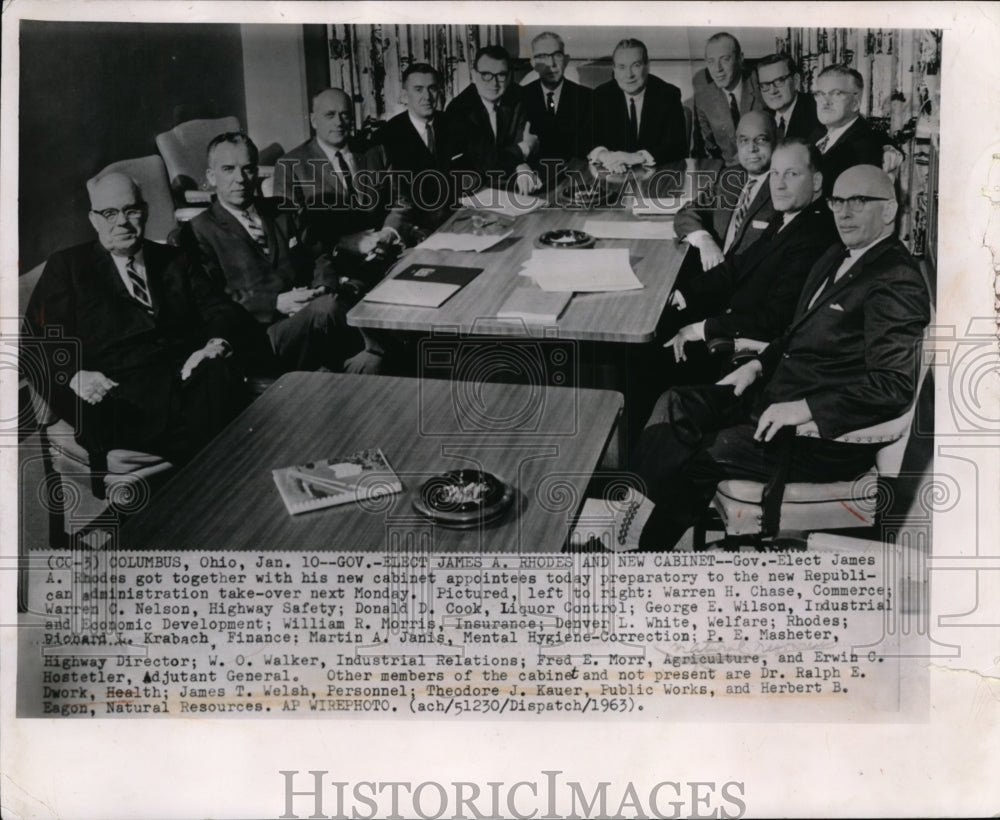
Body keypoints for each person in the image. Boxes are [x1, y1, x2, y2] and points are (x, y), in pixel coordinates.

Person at [607, 164, 930, 550]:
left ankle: (641, 554)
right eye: (838, 201)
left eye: (859, 202)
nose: (843, 213)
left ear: (890, 210)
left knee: (699, 454)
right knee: (675, 403)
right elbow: (796, 333)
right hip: (774, 396)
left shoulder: (896, 280)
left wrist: (806, 408)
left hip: (817, 438)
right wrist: (759, 364)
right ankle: (635, 522)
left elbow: (893, 386)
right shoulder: (836, 254)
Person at [24, 173, 256, 471]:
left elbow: (220, 310)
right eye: (109, 213)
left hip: (186, 383)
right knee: (227, 422)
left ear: (144, 212)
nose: (121, 221)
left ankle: (205, 493)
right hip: (119, 397)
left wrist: (213, 345)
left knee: (221, 375)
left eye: (130, 210)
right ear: (94, 219)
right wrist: (74, 374)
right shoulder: (68, 267)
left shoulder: (175, 260)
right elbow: (35, 340)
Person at [186, 132, 381, 374]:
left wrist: (322, 288)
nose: (240, 179)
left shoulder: (281, 209)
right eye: (228, 169)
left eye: (247, 169)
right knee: (330, 311)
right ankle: (380, 343)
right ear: (211, 177)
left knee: (370, 362)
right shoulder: (198, 231)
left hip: (312, 316)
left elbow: (319, 256)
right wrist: (275, 303)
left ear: (256, 173)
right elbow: (213, 300)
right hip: (261, 334)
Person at [664, 137, 839, 378]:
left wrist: (702, 328)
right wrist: (684, 295)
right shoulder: (790, 217)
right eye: (775, 174)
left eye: (791, 174)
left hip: (743, 353)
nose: (778, 185)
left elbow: (775, 320)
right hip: (733, 323)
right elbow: (739, 265)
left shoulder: (813, 236)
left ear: (816, 181)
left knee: (651, 356)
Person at [273, 87, 414, 271]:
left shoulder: (375, 151)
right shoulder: (291, 165)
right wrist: (341, 242)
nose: (339, 122)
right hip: (333, 264)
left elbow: (401, 201)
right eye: (330, 115)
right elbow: (294, 230)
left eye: (345, 115)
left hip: (386, 252)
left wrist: (388, 233)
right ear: (314, 121)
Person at [674, 111, 778, 273]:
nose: (751, 148)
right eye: (744, 141)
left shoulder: (782, 187)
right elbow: (686, 213)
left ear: (776, 142)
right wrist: (704, 240)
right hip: (711, 274)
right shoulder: (730, 177)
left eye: (761, 140)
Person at [441, 45, 541, 197]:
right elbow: (486, 162)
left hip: (510, 186)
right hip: (472, 191)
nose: (494, 83)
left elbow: (528, 139)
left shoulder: (518, 97)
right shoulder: (459, 109)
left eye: (501, 75)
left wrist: (522, 164)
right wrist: (524, 149)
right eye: (486, 74)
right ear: (474, 75)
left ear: (509, 77)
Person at [375, 63, 454, 234]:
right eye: (418, 89)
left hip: (455, 218)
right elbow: (391, 199)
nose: (427, 96)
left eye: (432, 88)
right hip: (414, 228)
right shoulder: (387, 135)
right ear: (404, 95)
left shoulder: (453, 124)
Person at [589, 38, 686, 172]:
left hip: (657, 178)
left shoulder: (668, 94)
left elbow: (677, 146)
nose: (629, 75)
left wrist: (637, 157)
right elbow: (588, 138)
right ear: (614, 70)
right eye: (622, 67)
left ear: (647, 66)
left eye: (636, 65)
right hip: (614, 175)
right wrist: (605, 155)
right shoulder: (601, 95)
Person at [809, 65, 886, 196]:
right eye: (820, 94)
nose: (825, 102)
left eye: (836, 94)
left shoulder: (865, 148)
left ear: (855, 103)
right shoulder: (817, 135)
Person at [522, 31, 595, 169]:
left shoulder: (588, 98)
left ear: (566, 60)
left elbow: (591, 147)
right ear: (533, 63)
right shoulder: (520, 97)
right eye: (542, 57)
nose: (551, 64)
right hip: (532, 178)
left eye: (557, 55)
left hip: (575, 177)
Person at [692, 32, 764, 167]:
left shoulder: (761, 84)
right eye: (711, 61)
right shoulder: (703, 99)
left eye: (724, 59)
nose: (717, 69)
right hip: (729, 171)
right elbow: (708, 147)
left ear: (740, 58)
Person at [755, 53, 819, 141]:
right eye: (765, 85)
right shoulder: (762, 119)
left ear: (796, 80)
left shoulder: (816, 112)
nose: (773, 91)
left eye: (779, 81)